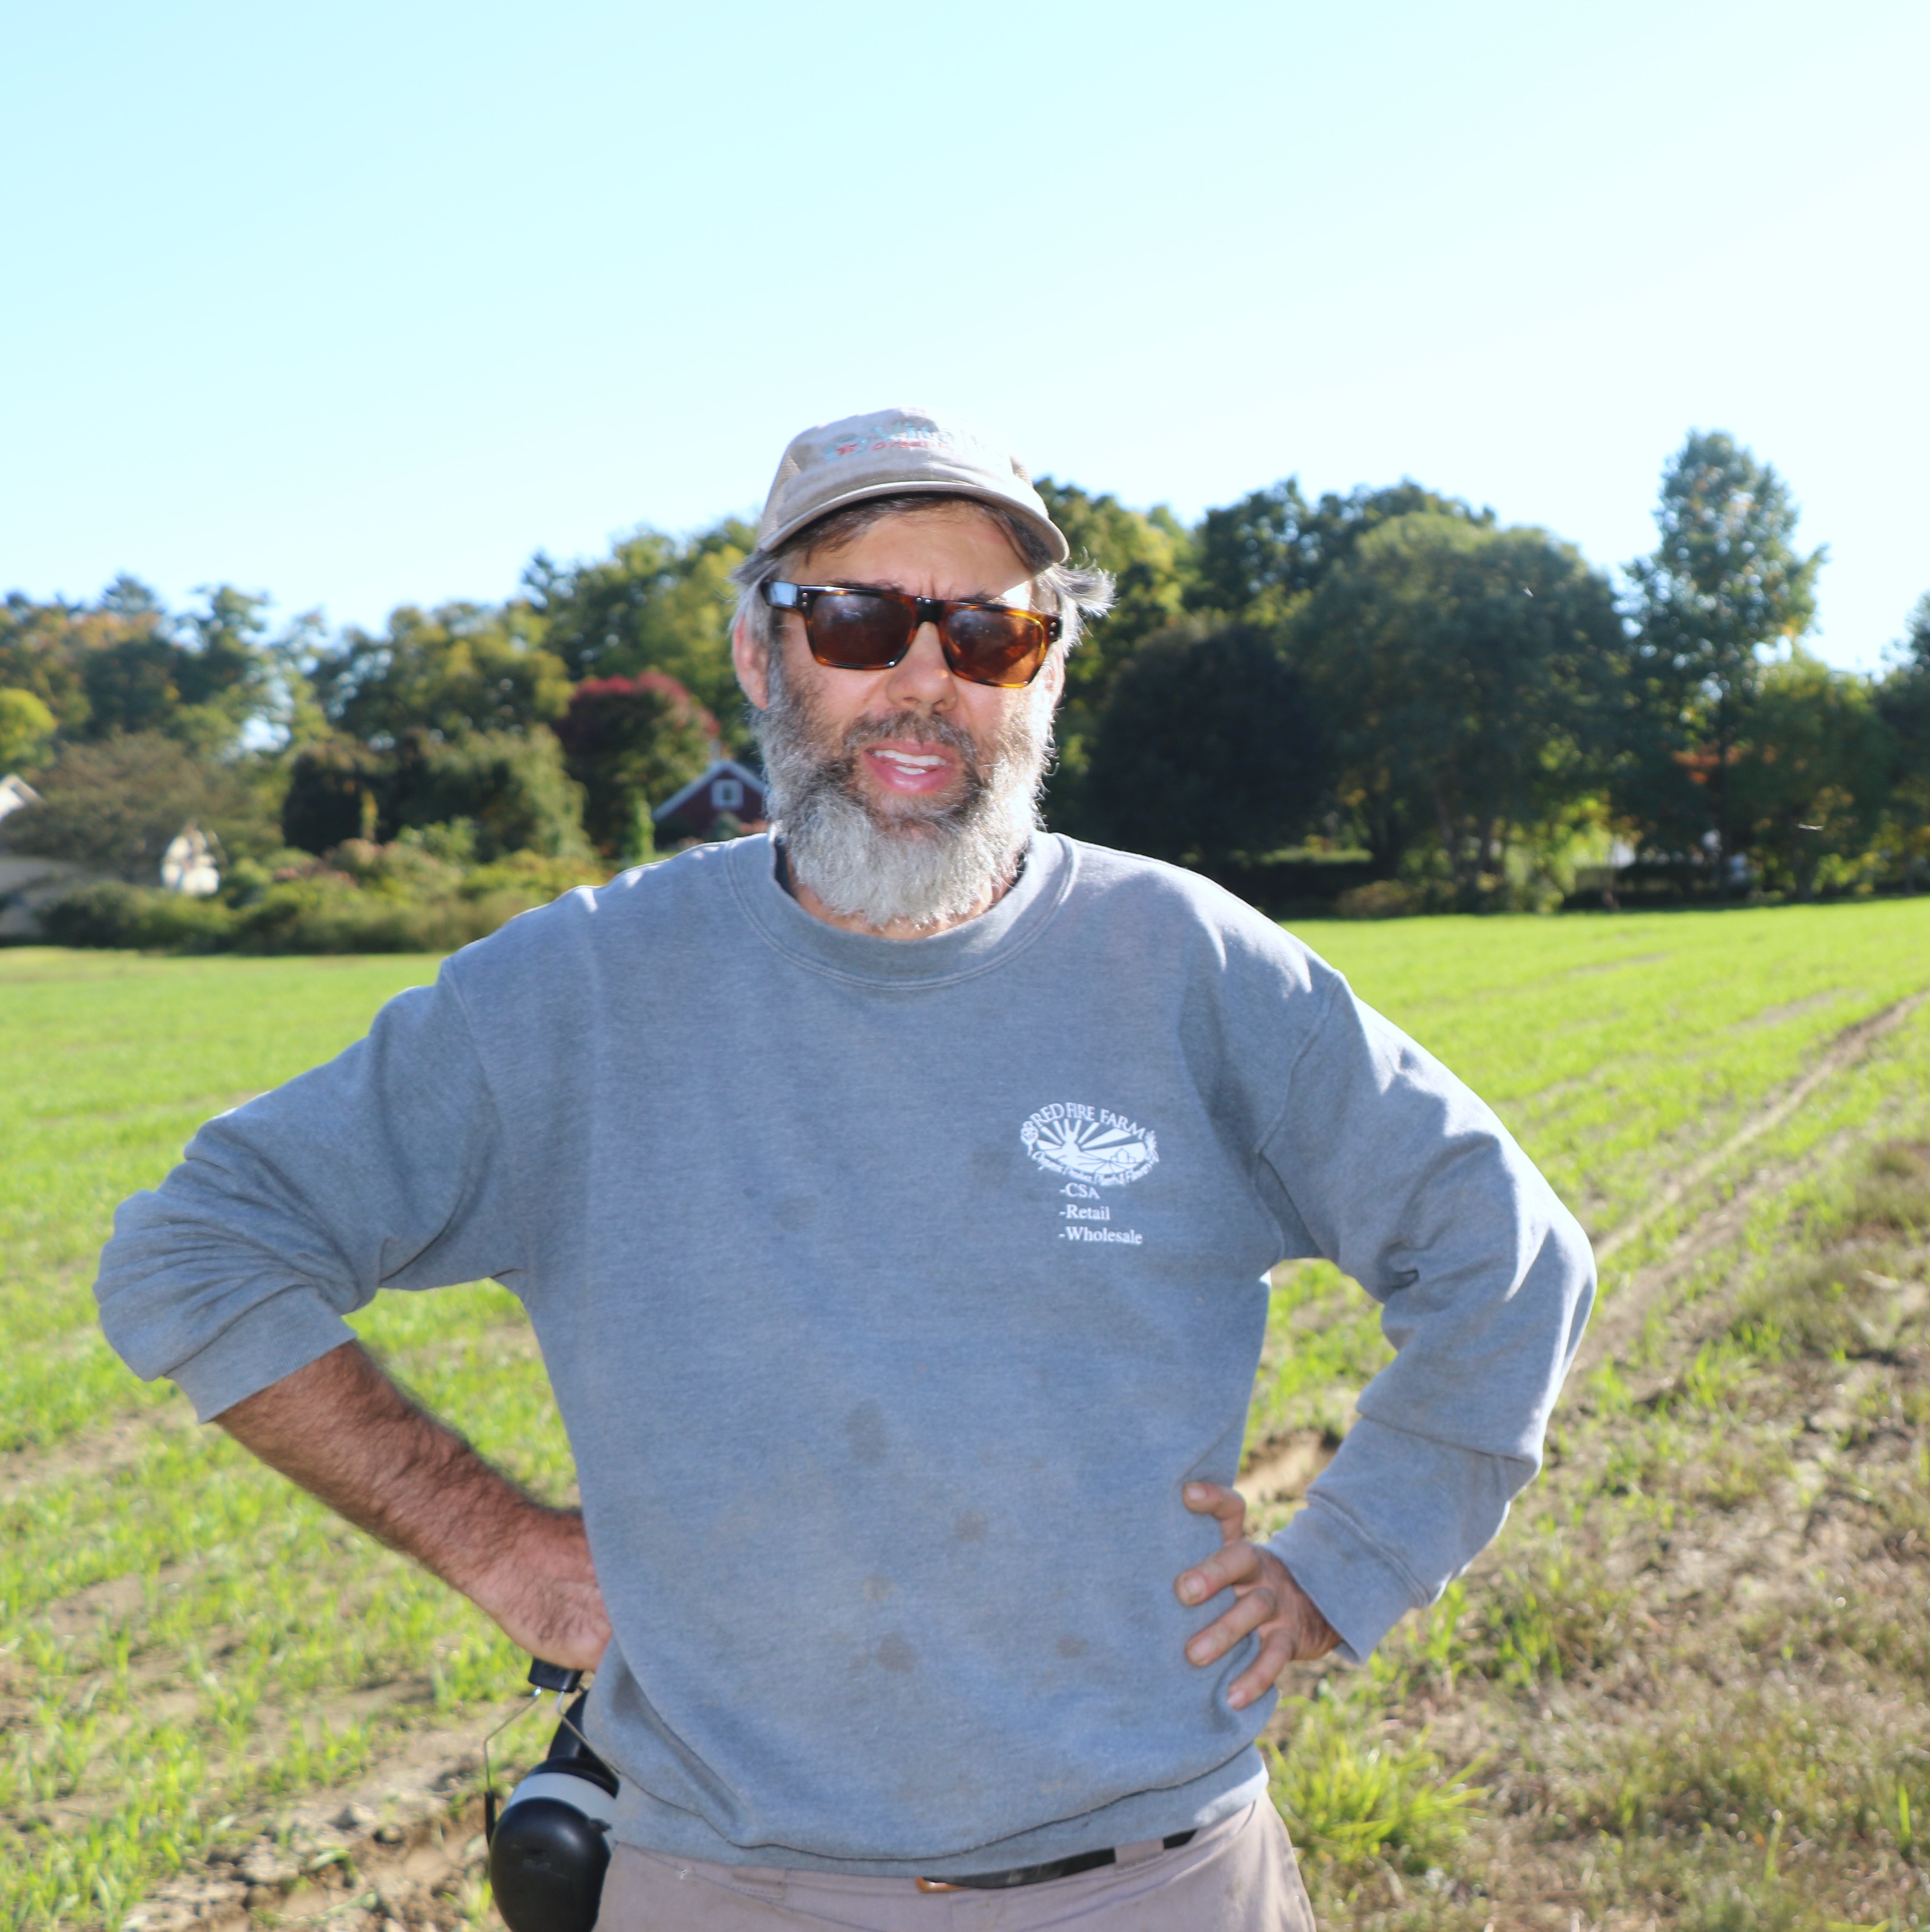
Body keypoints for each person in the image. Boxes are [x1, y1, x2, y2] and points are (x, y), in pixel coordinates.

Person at [95, 407, 1596, 1931]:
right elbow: (200, 1248)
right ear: (764, 652)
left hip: (1158, 1881)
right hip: (723, 1883)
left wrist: (1345, 1564)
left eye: (988, 635)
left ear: (1049, 671)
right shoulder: (584, 992)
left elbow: (1510, 1256)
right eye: (862, 620)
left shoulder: (1191, 966)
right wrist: (502, 1549)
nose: (924, 681)